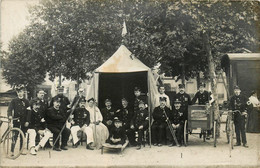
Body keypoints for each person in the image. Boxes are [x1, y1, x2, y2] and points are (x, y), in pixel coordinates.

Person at [7, 84, 30, 155]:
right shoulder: (14, 101)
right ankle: (12, 151)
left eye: (21, 91)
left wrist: (27, 121)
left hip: (24, 121)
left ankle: (21, 150)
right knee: (15, 135)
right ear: (17, 93)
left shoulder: (26, 101)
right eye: (19, 92)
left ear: (23, 92)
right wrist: (10, 116)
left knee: (23, 135)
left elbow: (29, 112)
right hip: (16, 120)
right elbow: (9, 109)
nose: (20, 93)